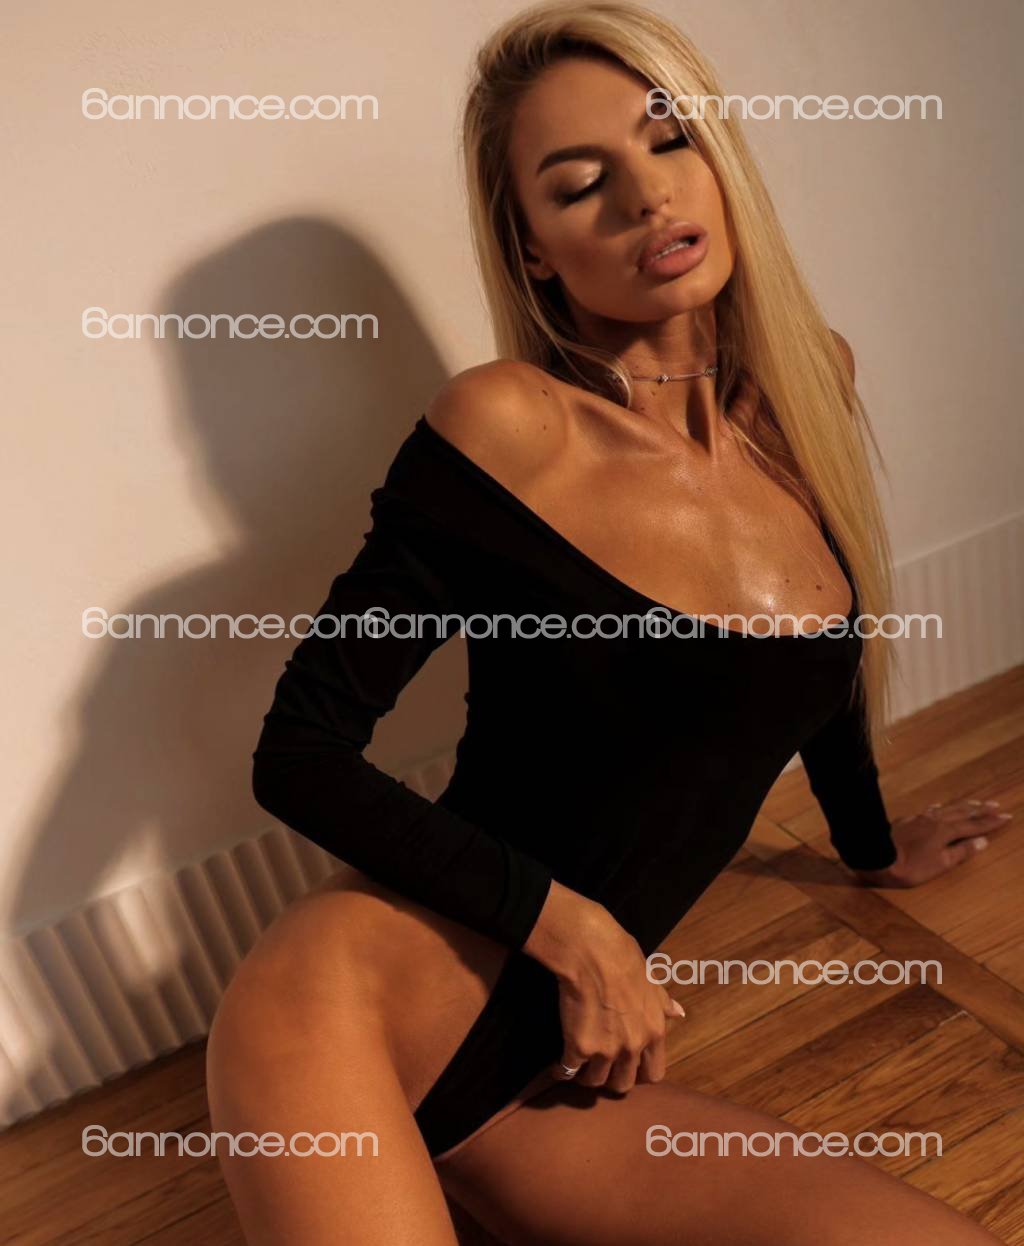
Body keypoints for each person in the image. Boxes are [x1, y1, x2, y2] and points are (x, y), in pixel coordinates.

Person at [206, 4, 1009, 1242]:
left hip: (542, 1081)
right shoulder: (507, 429)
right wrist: (576, 932)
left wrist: (865, 844)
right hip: (352, 1006)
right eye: (579, 186)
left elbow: (818, 651)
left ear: (718, 159)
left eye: (667, 139)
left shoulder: (810, 383)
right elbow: (299, 754)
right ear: (532, 251)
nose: (645, 197)